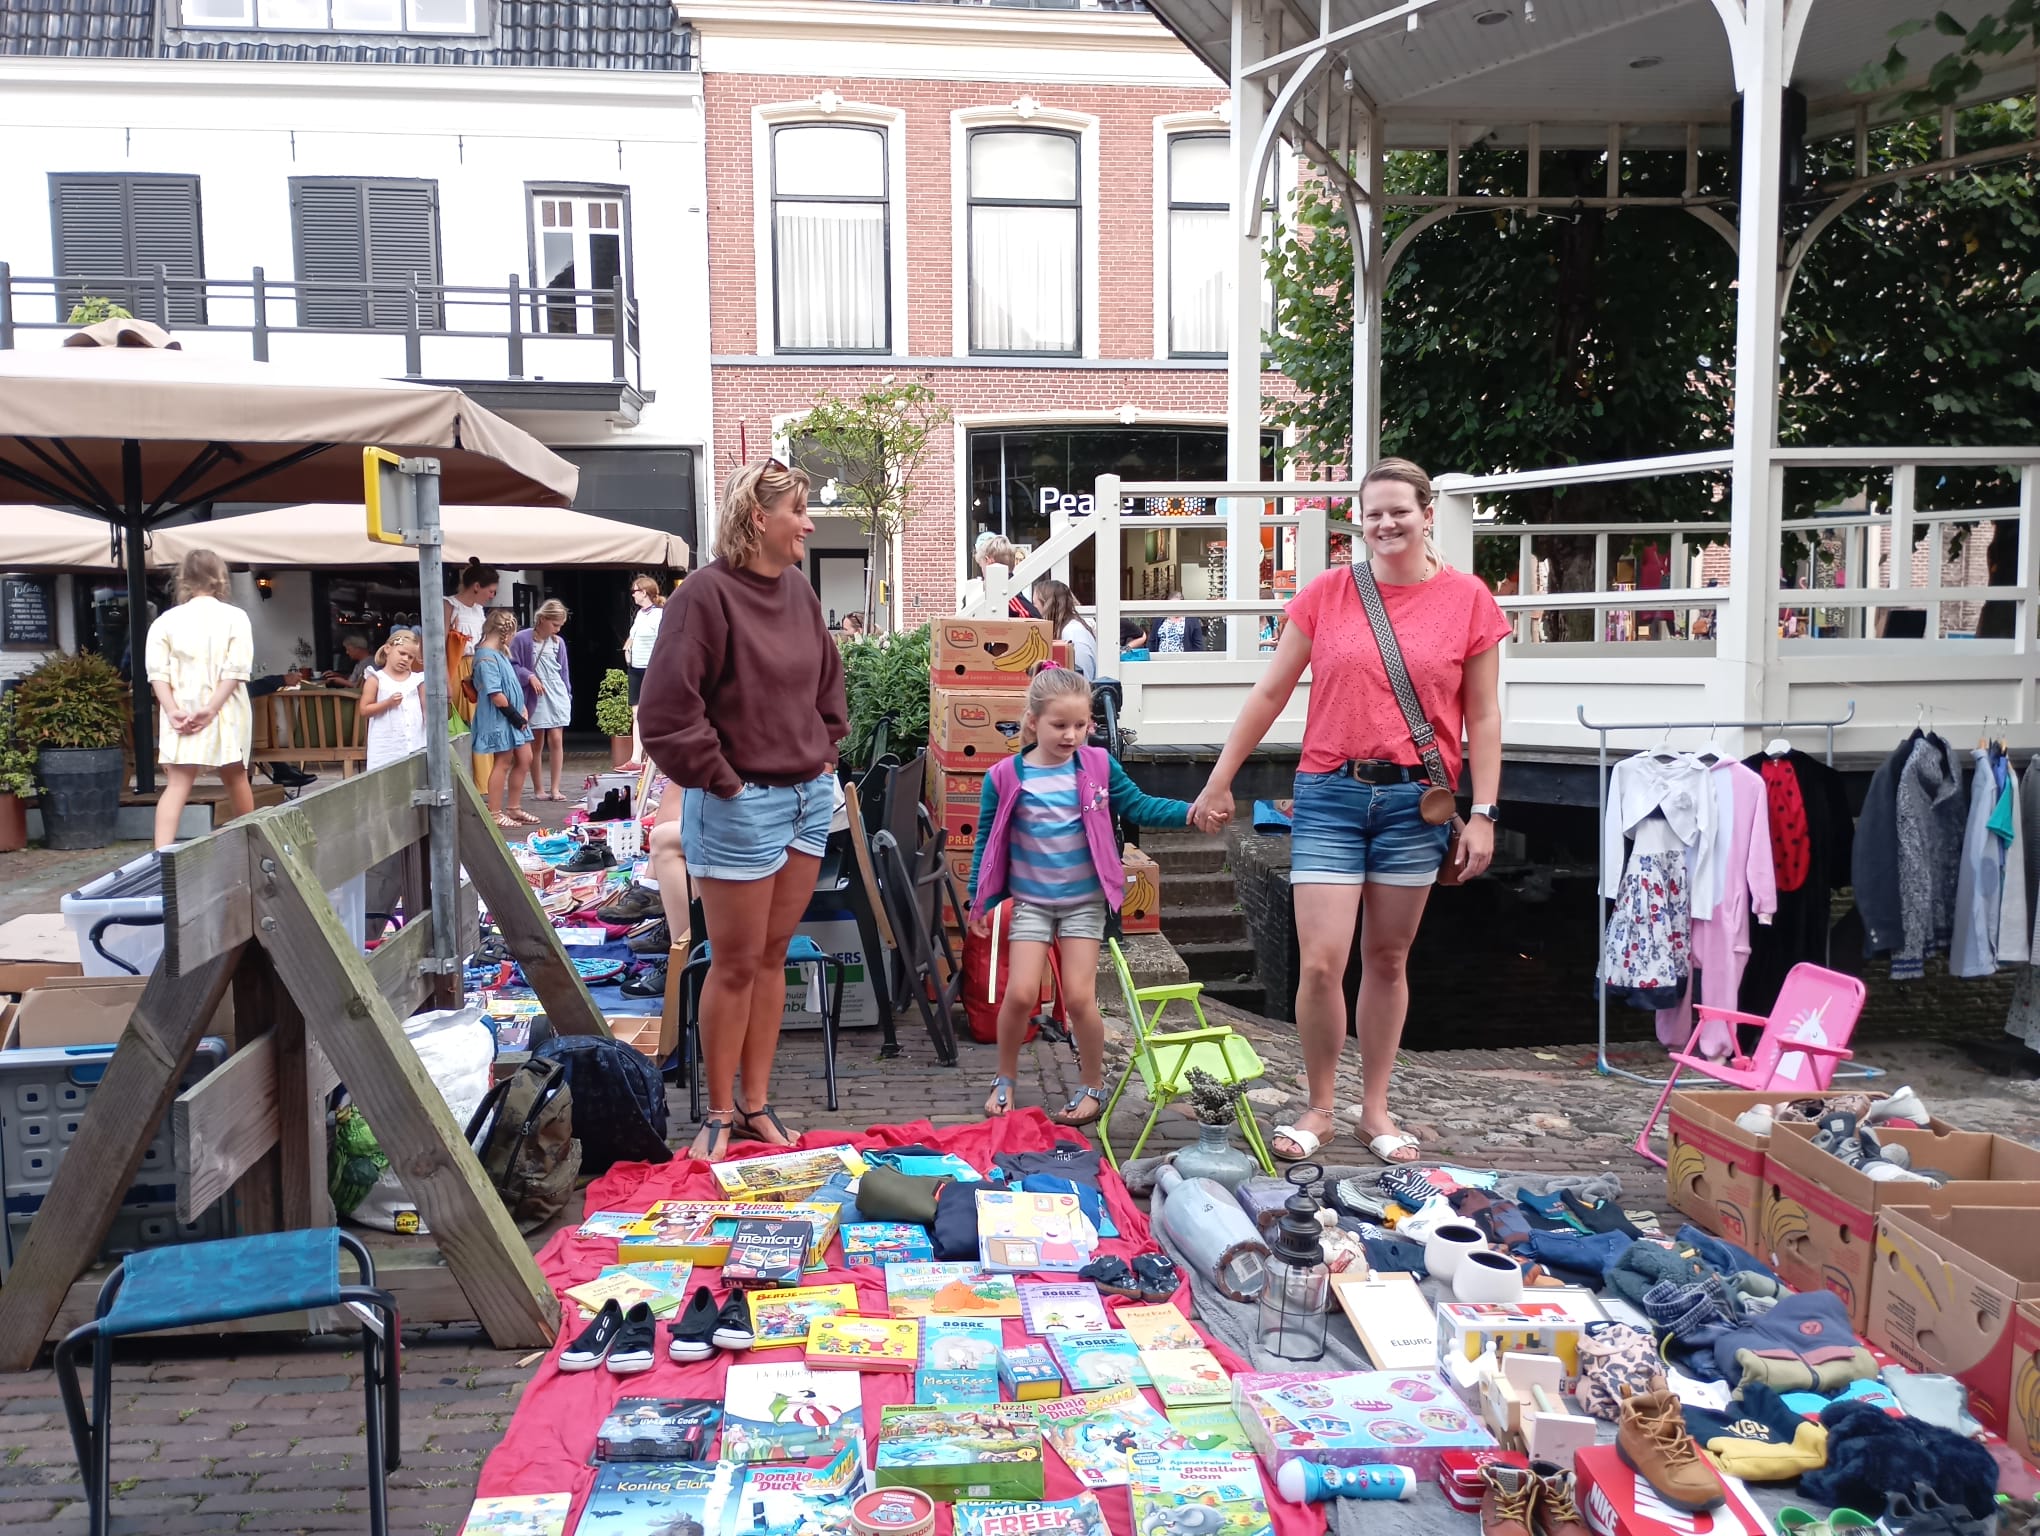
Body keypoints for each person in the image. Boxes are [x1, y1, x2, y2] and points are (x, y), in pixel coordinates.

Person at [1190, 457, 1508, 1166]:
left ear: (1427, 513)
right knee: (1321, 965)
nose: (1387, 523)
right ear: (1358, 523)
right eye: (1373, 514)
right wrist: (1219, 781)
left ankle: (1376, 1109)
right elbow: (1270, 693)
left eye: (1400, 510)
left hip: (1415, 804)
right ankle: (1321, 1104)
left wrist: (1483, 810)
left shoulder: (1469, 599)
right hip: (1331, 792)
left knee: (1388, 960)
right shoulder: (1329, 594)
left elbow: (1484, 717)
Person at [638, 458, 848, 1160]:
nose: (810, 523)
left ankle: (758, 1106)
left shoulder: (798, 591)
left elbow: (827, 678)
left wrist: (827, 752)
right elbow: (667, 710)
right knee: (731, 964)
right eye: (800, 509)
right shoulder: (703, 595)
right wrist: (723, 782)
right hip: (739, 806)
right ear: (760, 518)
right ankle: (720, 1112)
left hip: (805, 802)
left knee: (770, 959)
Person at [967, 668, 1194, 1126]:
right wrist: (980, 899)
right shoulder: (1005, 776)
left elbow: (1139, 806)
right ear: (1032, 721)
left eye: (1081, 725)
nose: (1071, 735)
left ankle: (1092, 1084)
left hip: (1084, 903)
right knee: (1019, 995)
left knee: (1079, 998)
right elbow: (987, 842)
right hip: (1031, 900)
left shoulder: (1098, 766)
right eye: (1059, 725)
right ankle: (1005, 1077)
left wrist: (1190, 812)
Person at [144, 548, 255, 849]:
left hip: (180, 709)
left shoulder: (165, 622)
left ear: (183, 580)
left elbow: (157, 673)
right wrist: (211, 708)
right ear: (220, 578)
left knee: (177, 785)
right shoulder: (236, 618)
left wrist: (171, 710)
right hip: (225, 710)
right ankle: (254, 846)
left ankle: (161, 856)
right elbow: (236, 669)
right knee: (236, 778)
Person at [472, 607, 536, 830]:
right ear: (506, 634)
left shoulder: (499, 653)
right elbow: (495, 693)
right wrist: (515, 715)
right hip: (501, 716)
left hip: (514, 714)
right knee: (503, 761)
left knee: (525, 757)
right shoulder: (485, 657)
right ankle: (495, 812)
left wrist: (522, 710)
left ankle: (514, 807)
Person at [512, 600, 573, 801]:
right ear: (544, 619)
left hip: (555, 691)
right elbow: (513, 664)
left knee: (556, 738)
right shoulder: (522, 638)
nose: (557, 629)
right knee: (536, 741)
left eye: (560, 626)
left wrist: (568, 694)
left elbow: (563, 671)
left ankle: (555, 788)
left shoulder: (558, 642)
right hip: (534, 694)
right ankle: (539, 788)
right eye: (555, 624)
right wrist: (529, 676)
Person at [358, 630, 426, 769]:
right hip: (386, 746)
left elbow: (425, 710)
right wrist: (387, 703)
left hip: (415, 742)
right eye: (402, 653)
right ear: (388, 649)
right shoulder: (376, 679)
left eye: (411, 657)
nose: (405, 659)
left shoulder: (418, 680)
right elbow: (364, 710)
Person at [446, 560, 499, 730]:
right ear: (477, 586)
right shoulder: (450, 605)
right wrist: (444, 680)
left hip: (479, 666)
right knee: (466, 720)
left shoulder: (478, 609)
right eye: (491, 591)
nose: (492, 596)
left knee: (483, 720)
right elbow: (439, 646)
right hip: (457, 668)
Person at [624, 574, 665, 770]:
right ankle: (635, 759)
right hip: (636, 668)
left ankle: (656, 759)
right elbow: (632, 635)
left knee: (654, 713)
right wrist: (627, 647)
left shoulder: (659, 615)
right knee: (636, 712)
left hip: (652, 668)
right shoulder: (640, 614)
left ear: (645, 592)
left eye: (635, 591)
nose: (633, 595)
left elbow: (663, 641)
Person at [963, 533, 1041, 617]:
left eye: (981, 565)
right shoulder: (1016, 599)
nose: (982, 573)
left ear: (988, 561)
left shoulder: (1009, 599)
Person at [1033, 579, 1098, 680]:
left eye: (1035, 604)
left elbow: (1083, 680)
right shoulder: (1068, 630)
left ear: (1046, 605)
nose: (1033, 609)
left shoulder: (1073, 634)